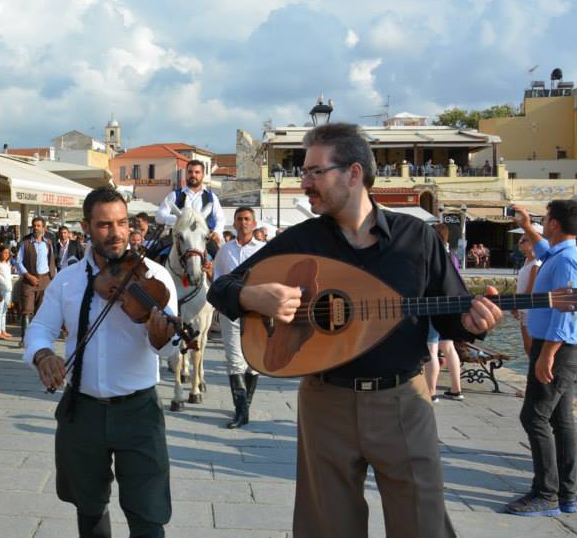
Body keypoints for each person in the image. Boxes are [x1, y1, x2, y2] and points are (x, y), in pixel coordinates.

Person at [207, 123, 502, 538]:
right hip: (325, 400)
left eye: (314, 172)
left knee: (423, 523)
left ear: (354, 173)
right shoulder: (303, 238)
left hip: (402, 400)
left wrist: (475, 323)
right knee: (327, 526)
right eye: (303, 172)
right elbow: (222, 287)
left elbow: (451, 315)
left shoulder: (415, 237)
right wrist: (255, 298)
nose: (304, 182)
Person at [25, 187, 178, 538]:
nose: (117, 233)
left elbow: (170, 349)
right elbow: (40, 328)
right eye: (106, 225)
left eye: (123, 223)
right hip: (83, 411)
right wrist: (43, 354)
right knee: (89, 508)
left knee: (148, 515)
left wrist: (161, 338)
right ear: (87, 227)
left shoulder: (153, 277)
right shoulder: (67, 280)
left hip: (138, 412)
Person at [506, 202, 577, 517]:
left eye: (544, 219)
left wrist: (547, 354)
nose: (542, 222)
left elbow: (569, 310)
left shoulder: (568, 262)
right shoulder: (559, 254)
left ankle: (546, 492)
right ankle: (567, 494)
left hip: (557, 348)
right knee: (561, 420)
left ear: (554, 225)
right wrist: (525, 225)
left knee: (534, 416)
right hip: (554, 346)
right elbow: (544, 250)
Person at [214, 207, 265, 428]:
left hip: (257, 313)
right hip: (231, 311)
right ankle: (241, 410)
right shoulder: (224, 251)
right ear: (234, 224)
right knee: (234, 360)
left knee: (253, 362)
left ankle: (246, 405)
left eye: (247, 219)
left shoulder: (264, 249)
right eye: (239, 219)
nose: (243, 222)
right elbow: (217, 279)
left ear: (253, 224)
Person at [424, 223, 465, 403]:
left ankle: (431, 392)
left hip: (434, 305)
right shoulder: (453, 257)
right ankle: (456, 389)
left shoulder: (432, 256)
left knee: (432, 349)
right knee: (448, 348)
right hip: (450, 306)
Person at [156, 160, 225, 258]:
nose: (193, 175)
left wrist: (217, 232)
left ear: (202, 175)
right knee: (153, 253)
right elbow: (159, 216)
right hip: (178, 237)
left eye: (197, 172)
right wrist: (179, 219)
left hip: (204, 238)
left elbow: (220, 218)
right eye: (190, 172)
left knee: (220, 258)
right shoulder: (175, 195)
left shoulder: (211, 197)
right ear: (186, 174)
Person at [15, 216, 56, 347]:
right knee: (27, 310)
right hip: (29, 279)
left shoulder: (48, 243)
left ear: (44, 227)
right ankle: (25, 339)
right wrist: (28, 275)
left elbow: (52, 261)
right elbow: (18, 261)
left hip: (45, 279)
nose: (36, 228)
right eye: (34, 225)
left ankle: (39, 338)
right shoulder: (26, 242)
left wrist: (52, 278)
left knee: (42, 311)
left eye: (38, 226)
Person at [512, 231, 542, 357]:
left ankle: (535, 373)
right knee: (527, 346)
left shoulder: (536, 264)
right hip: (523, 307)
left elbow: (530, 290)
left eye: (523, 240)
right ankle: (532, 372)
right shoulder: (527, 260)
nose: (520, 243)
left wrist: (515, 303)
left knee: (531, 346)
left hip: (530, 308)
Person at [0, 245, 14, 340]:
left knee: (4, 310)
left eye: (7, 253)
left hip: (8, 289)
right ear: (0, 253)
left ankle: (3, 330)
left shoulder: (8, 263)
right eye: (4, 252)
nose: (6, 254)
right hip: (1, 289)